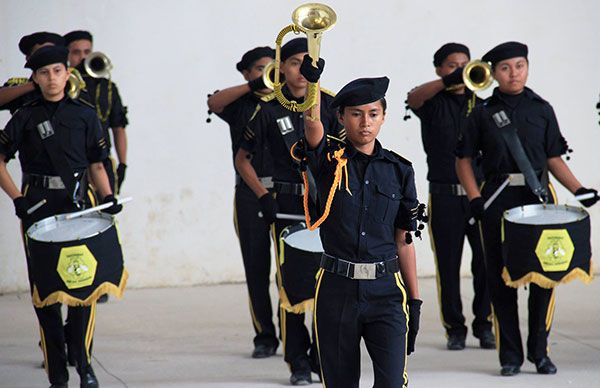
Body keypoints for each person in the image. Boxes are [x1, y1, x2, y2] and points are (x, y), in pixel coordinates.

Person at [456, 41, 599, 376]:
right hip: (496, 198)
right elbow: (463, 160)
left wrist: (579, 190)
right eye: (505, 68)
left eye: (519, 65)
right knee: (500, 278)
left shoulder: (542, 109)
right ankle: (510, 357)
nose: (513, 73)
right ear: (493, 73)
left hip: (539, 200)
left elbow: (553, 157)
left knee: (545, 275)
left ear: (528, 67)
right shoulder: (483, 112)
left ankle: (541, 353)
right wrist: (475, 198)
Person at [0, 46, 122, 388]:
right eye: (43, 73)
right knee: (46, 292)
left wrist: (109, 196)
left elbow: (97, 164)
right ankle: (57, 374)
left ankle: (84, 365)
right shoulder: (24, 116)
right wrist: (17, 198)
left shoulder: (85, 115)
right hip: (37, 208)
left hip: (77, 206)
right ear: (34, 79)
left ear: (67, 73)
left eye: (57, 71)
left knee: (84, 286)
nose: (51, 78)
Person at [302, 72, 423, 387]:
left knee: (392, 382)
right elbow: (313, 129)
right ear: (341, 117)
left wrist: (415, 299)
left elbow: (405, 240)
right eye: (356, 114)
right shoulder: (327, 162)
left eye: (373, 114)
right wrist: (311, 88)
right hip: (336, 290)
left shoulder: (400, 170)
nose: (365, 122)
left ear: (383, 117)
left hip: (386, 291)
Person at [235, 37, 341, 385]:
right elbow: (242, 159)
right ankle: (296, 359)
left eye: (307, 62)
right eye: (294, 62)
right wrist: (263, 195)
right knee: (292, 286)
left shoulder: (331, 104)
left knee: (329, 284)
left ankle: (322, 356)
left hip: (324, 206)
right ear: (281, 67)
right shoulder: (268, 109)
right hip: (288, 208)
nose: (300, 69)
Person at [407, 43, 494, 350]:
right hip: (443, 196)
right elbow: (412, 98)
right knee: (448, 263)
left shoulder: (484, 106)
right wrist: (448, 82)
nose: (458, 69)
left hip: (481, 196)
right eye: (451, 65)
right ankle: (454, 328)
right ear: (439, 69)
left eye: (464, 64)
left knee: (486, 261)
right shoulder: (432, 103)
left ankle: (485, 325)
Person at [207, 46, 279, 358]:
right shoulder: (241, 104)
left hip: (289, 192)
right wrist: (254, 86)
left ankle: (296, 333)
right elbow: (213, 102)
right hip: (250, 195)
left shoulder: (289, 100)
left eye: (272, 68)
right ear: (246, 73)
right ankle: (264, 336)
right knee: (256, 267)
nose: (268, 73)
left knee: (293, 268)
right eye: (261, 68)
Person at [64, 30, 129, 196]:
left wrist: (122, 164)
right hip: (71, 163)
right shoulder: (62, 87)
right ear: (67, 54)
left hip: (102, 160)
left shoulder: (108, 87)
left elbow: (118, 127)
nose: (83, 57)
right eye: (76, 52)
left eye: (87, 52)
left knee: (107, 213)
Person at [0, 31, 65, 113]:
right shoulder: (19, 87)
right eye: (40, 54)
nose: (46, 58)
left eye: (50, 53)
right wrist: (34, 84)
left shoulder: (69, 83)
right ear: (28, 58)